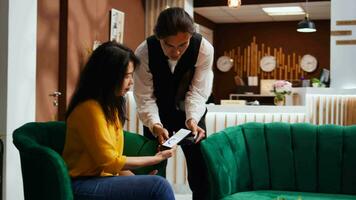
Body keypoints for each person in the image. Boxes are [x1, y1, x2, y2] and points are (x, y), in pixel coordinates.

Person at [62, 41, 175, 200]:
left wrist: (138, 181)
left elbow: (112, 164)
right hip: (81, 184)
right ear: (108, 75)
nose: (131, 82)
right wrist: (156, 159)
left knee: (154, 185)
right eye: (127, 76)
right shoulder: (89, 109)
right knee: (158, 186)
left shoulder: (109, 107)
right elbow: (110, 162)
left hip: (101, 179)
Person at [134, 7, 214, 200]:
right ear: (159, 37)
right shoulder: (144, 52)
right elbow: (145, 97)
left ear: (191, 36)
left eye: (183, 45)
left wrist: (193, 119)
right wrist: (155, 124)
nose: (176, 52)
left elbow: (197, 92)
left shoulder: (204, 49)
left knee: (200, 168)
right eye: (169, 45)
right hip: (157, 114)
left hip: (190, 114)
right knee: (153, 167)